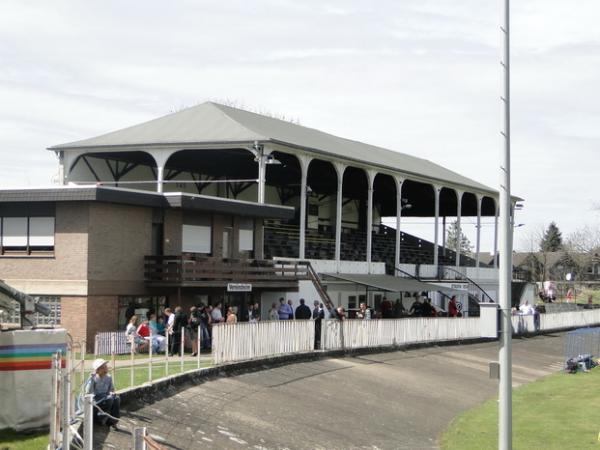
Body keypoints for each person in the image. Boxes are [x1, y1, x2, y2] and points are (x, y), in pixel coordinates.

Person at [85, 359, 120, 429]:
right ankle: (100, 419)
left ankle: (113, 422)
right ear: (97, 370)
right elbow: (88, 391)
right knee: (109, 399)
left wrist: (112, 393)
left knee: (117, 398)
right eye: (103, 367)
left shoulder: (109, 377)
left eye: (105, 366)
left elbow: (111, 389)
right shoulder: (93, 378)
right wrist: (91, 379)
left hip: (105, 397)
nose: (105, 369)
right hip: (96, 399)